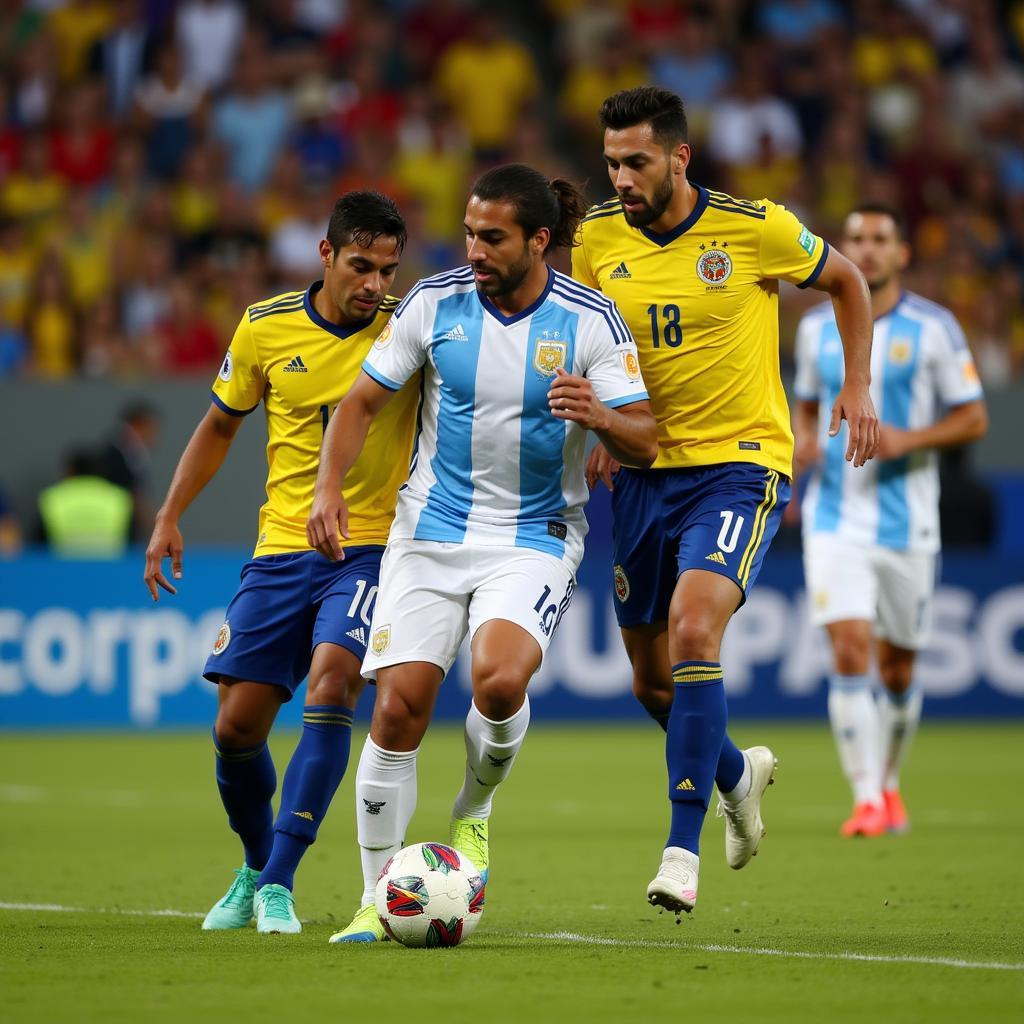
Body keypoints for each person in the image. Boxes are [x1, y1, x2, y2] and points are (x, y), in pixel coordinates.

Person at [307, 163, 657, 943]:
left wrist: (599, 416)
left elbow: (645, 438)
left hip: (534, 536)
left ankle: (474, 810)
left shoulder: (592, 319)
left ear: (538, 240)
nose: (475, 249)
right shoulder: (434, 304)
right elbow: (361, 403)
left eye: (492, 237)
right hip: (428, 533)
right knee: (397, 706)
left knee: (497, 684)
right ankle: (376, 898)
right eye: (469, 233)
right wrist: (329, 489)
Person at [574, 87, 879, 918]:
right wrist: (606, 424)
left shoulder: (754, 228)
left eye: (636, 161)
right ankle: (738, 774)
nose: (622, 178)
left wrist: (856, 384)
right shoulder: (596, 238)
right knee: (649, 681)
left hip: (738, 465)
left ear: (679, 157)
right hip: (642, 473)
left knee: (694, 628)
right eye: (611, 162)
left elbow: (848, 282)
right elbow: (595, 341)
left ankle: (682, 850)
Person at [143, 191, 419, 935]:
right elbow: (218, 426)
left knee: (333, 683)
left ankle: (280, 882)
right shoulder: (266, 326)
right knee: (235, 730)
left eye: (387, 271)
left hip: (369, 548)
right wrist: (170, 515)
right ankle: (259, 865)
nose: (374, 285)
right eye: (361, 266)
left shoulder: (407, 331)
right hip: (279, 550)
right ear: (325, 255)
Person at [793, 203, 987, 837]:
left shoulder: (934, 328)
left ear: (902, 253)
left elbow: (973, 418)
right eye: (854, 239)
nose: (866, 249)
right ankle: (867, 798)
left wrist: (911, 439)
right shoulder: (814, 330)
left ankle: (891, 782)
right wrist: (802, 446)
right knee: (849, 650)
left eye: (879, 239)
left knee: (899, 667)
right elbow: (807, 409)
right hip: (834, 516)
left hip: (907, 521)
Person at [38, 448, 132, 558]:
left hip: (61, 571)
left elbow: (38, 545)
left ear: (70, 471)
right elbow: (131, 542)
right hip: (110, 571)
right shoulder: (119, 498)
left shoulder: (51, 498)